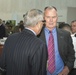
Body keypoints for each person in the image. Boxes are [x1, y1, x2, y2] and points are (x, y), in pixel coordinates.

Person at [0, 9, 48, 75]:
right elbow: (39, 72)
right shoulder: (39, 45)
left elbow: (2, 66)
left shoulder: (10, 38)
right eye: (43, 24)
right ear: (39, 24)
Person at [38, 6, 75, 75]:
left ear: (57, 18)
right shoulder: (37, 35)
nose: (51, 20)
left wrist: (67, 68)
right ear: (43, 18)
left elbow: (71, 55)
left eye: (53, 17)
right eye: (48, 17)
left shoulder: (65, 35)